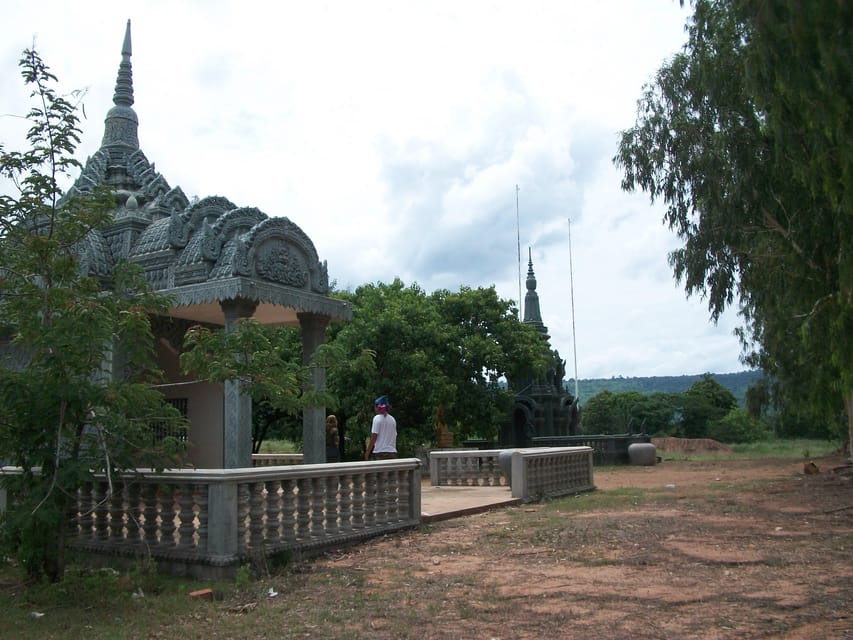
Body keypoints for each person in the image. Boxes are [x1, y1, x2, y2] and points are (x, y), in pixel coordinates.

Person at [364, 395, 397, 460]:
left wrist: (367, 452)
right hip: (392, 453)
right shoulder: (392, 419)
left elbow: (374, 436)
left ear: (377, 407)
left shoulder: (377, 418)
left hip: (380, 453)